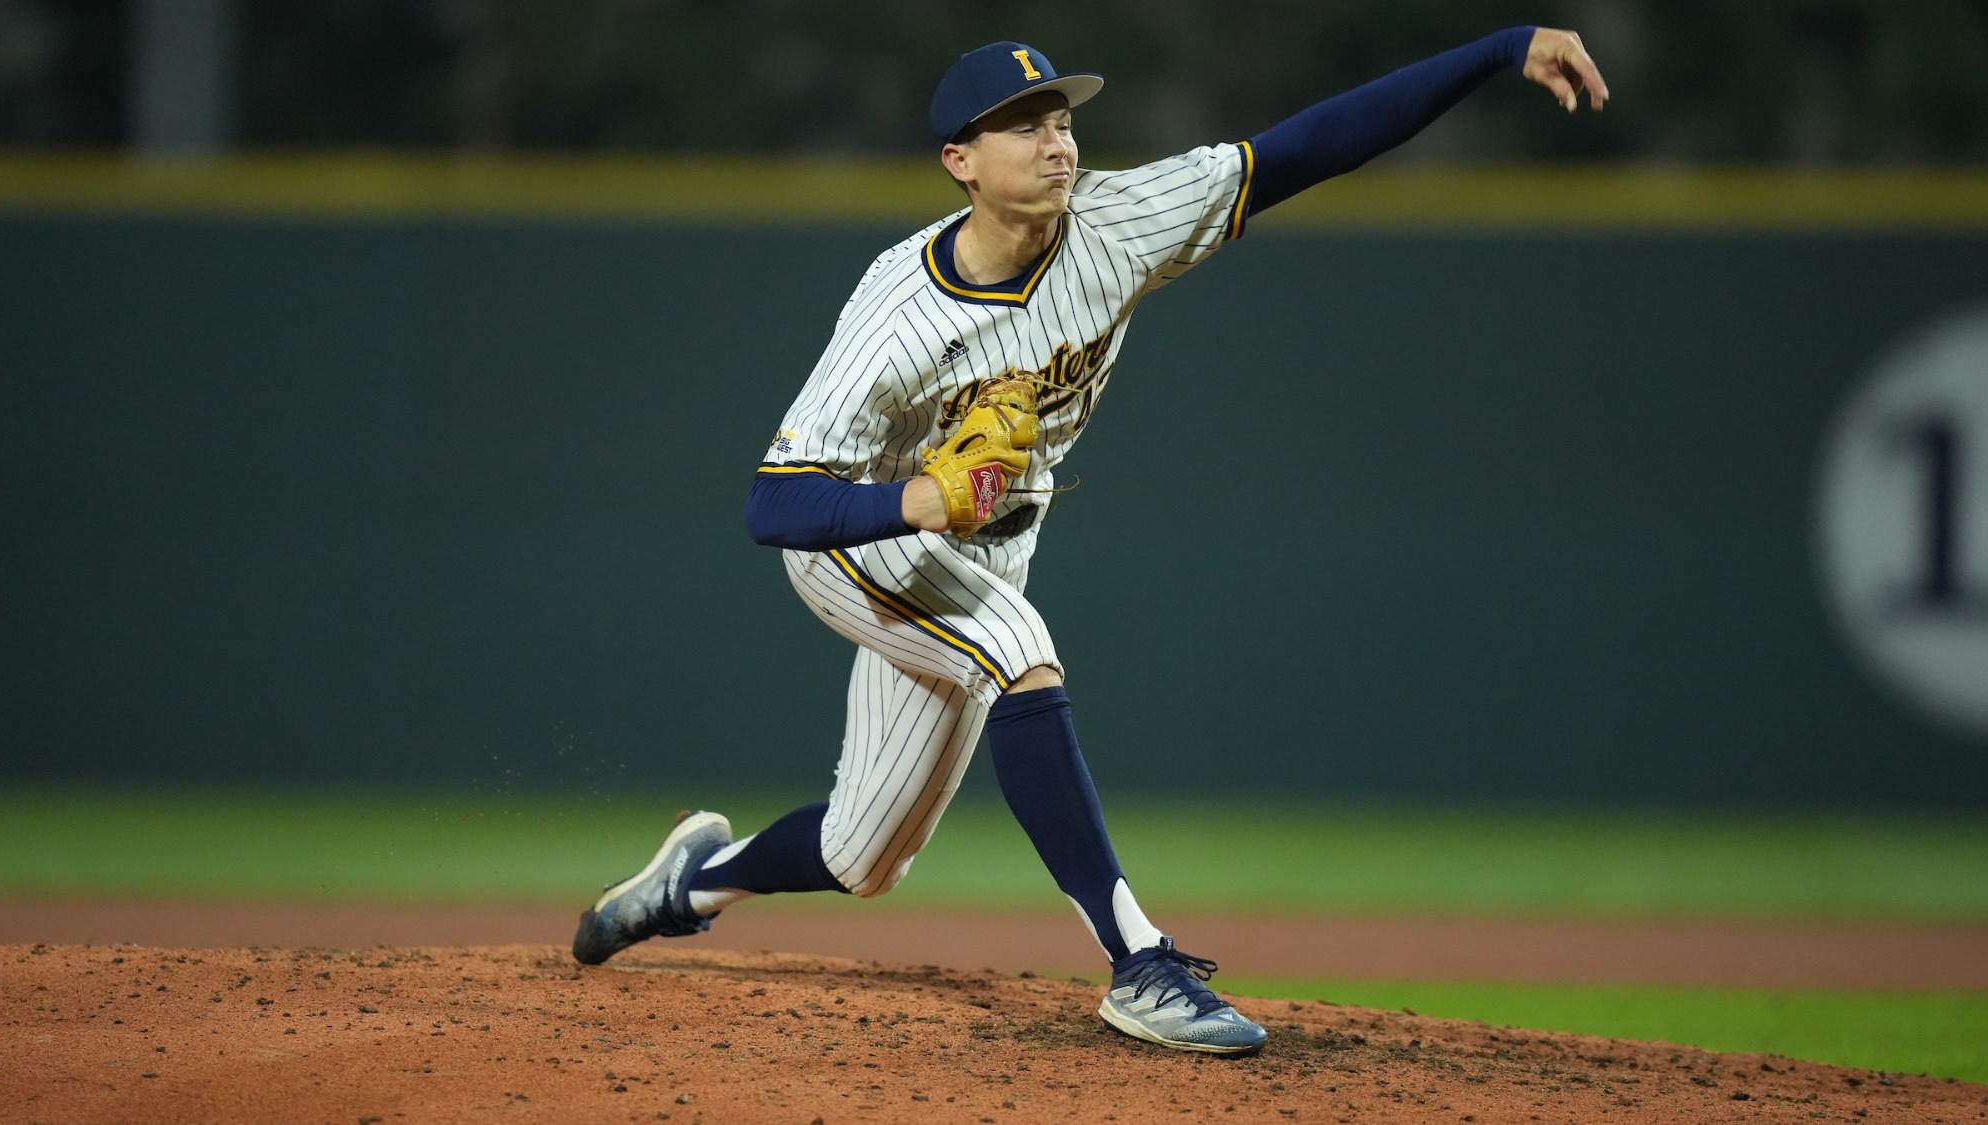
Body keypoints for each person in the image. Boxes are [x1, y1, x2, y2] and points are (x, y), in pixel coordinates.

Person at [573, 27, 1608, 1055]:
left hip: (988, 546)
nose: (1055, 141)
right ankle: (1139, 963)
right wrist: (916, 503)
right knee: (1017, 653)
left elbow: (1306, 148)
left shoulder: (1115, 221)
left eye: (1060, 119)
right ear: (960, 162)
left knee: (863, 854)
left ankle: (690, 884)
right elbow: (773, 506)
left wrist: (1496, 51)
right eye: (1022, 126)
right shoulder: (898, 312)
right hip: (858, 539)